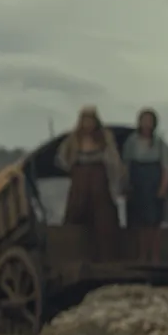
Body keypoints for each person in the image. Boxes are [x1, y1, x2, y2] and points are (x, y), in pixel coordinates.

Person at [55, 105, 123, 259]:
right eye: (85, 120)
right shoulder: (74, 138)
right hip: (80, 180)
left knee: (104, 217)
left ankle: (106, 256)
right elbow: (62, 158)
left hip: (99, 179)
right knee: (75, 212)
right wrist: (71, 166)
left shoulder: (104, 136)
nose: (88, 124)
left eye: (90, 120)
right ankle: (70, 253)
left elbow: (113, 159)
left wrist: (116, 177)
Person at [121, 107, 168, 264]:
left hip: (153, 181)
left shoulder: (159, 143)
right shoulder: (132, 141)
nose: (146, 123)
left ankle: (155, 256)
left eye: (149, 120)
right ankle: (142, 256)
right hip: (137, 183)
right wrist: (125, 184)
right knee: (139, 222)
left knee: (154, 222)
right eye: (144, 120)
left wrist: (163, 187)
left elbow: (166, 166)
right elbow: (125, 165)